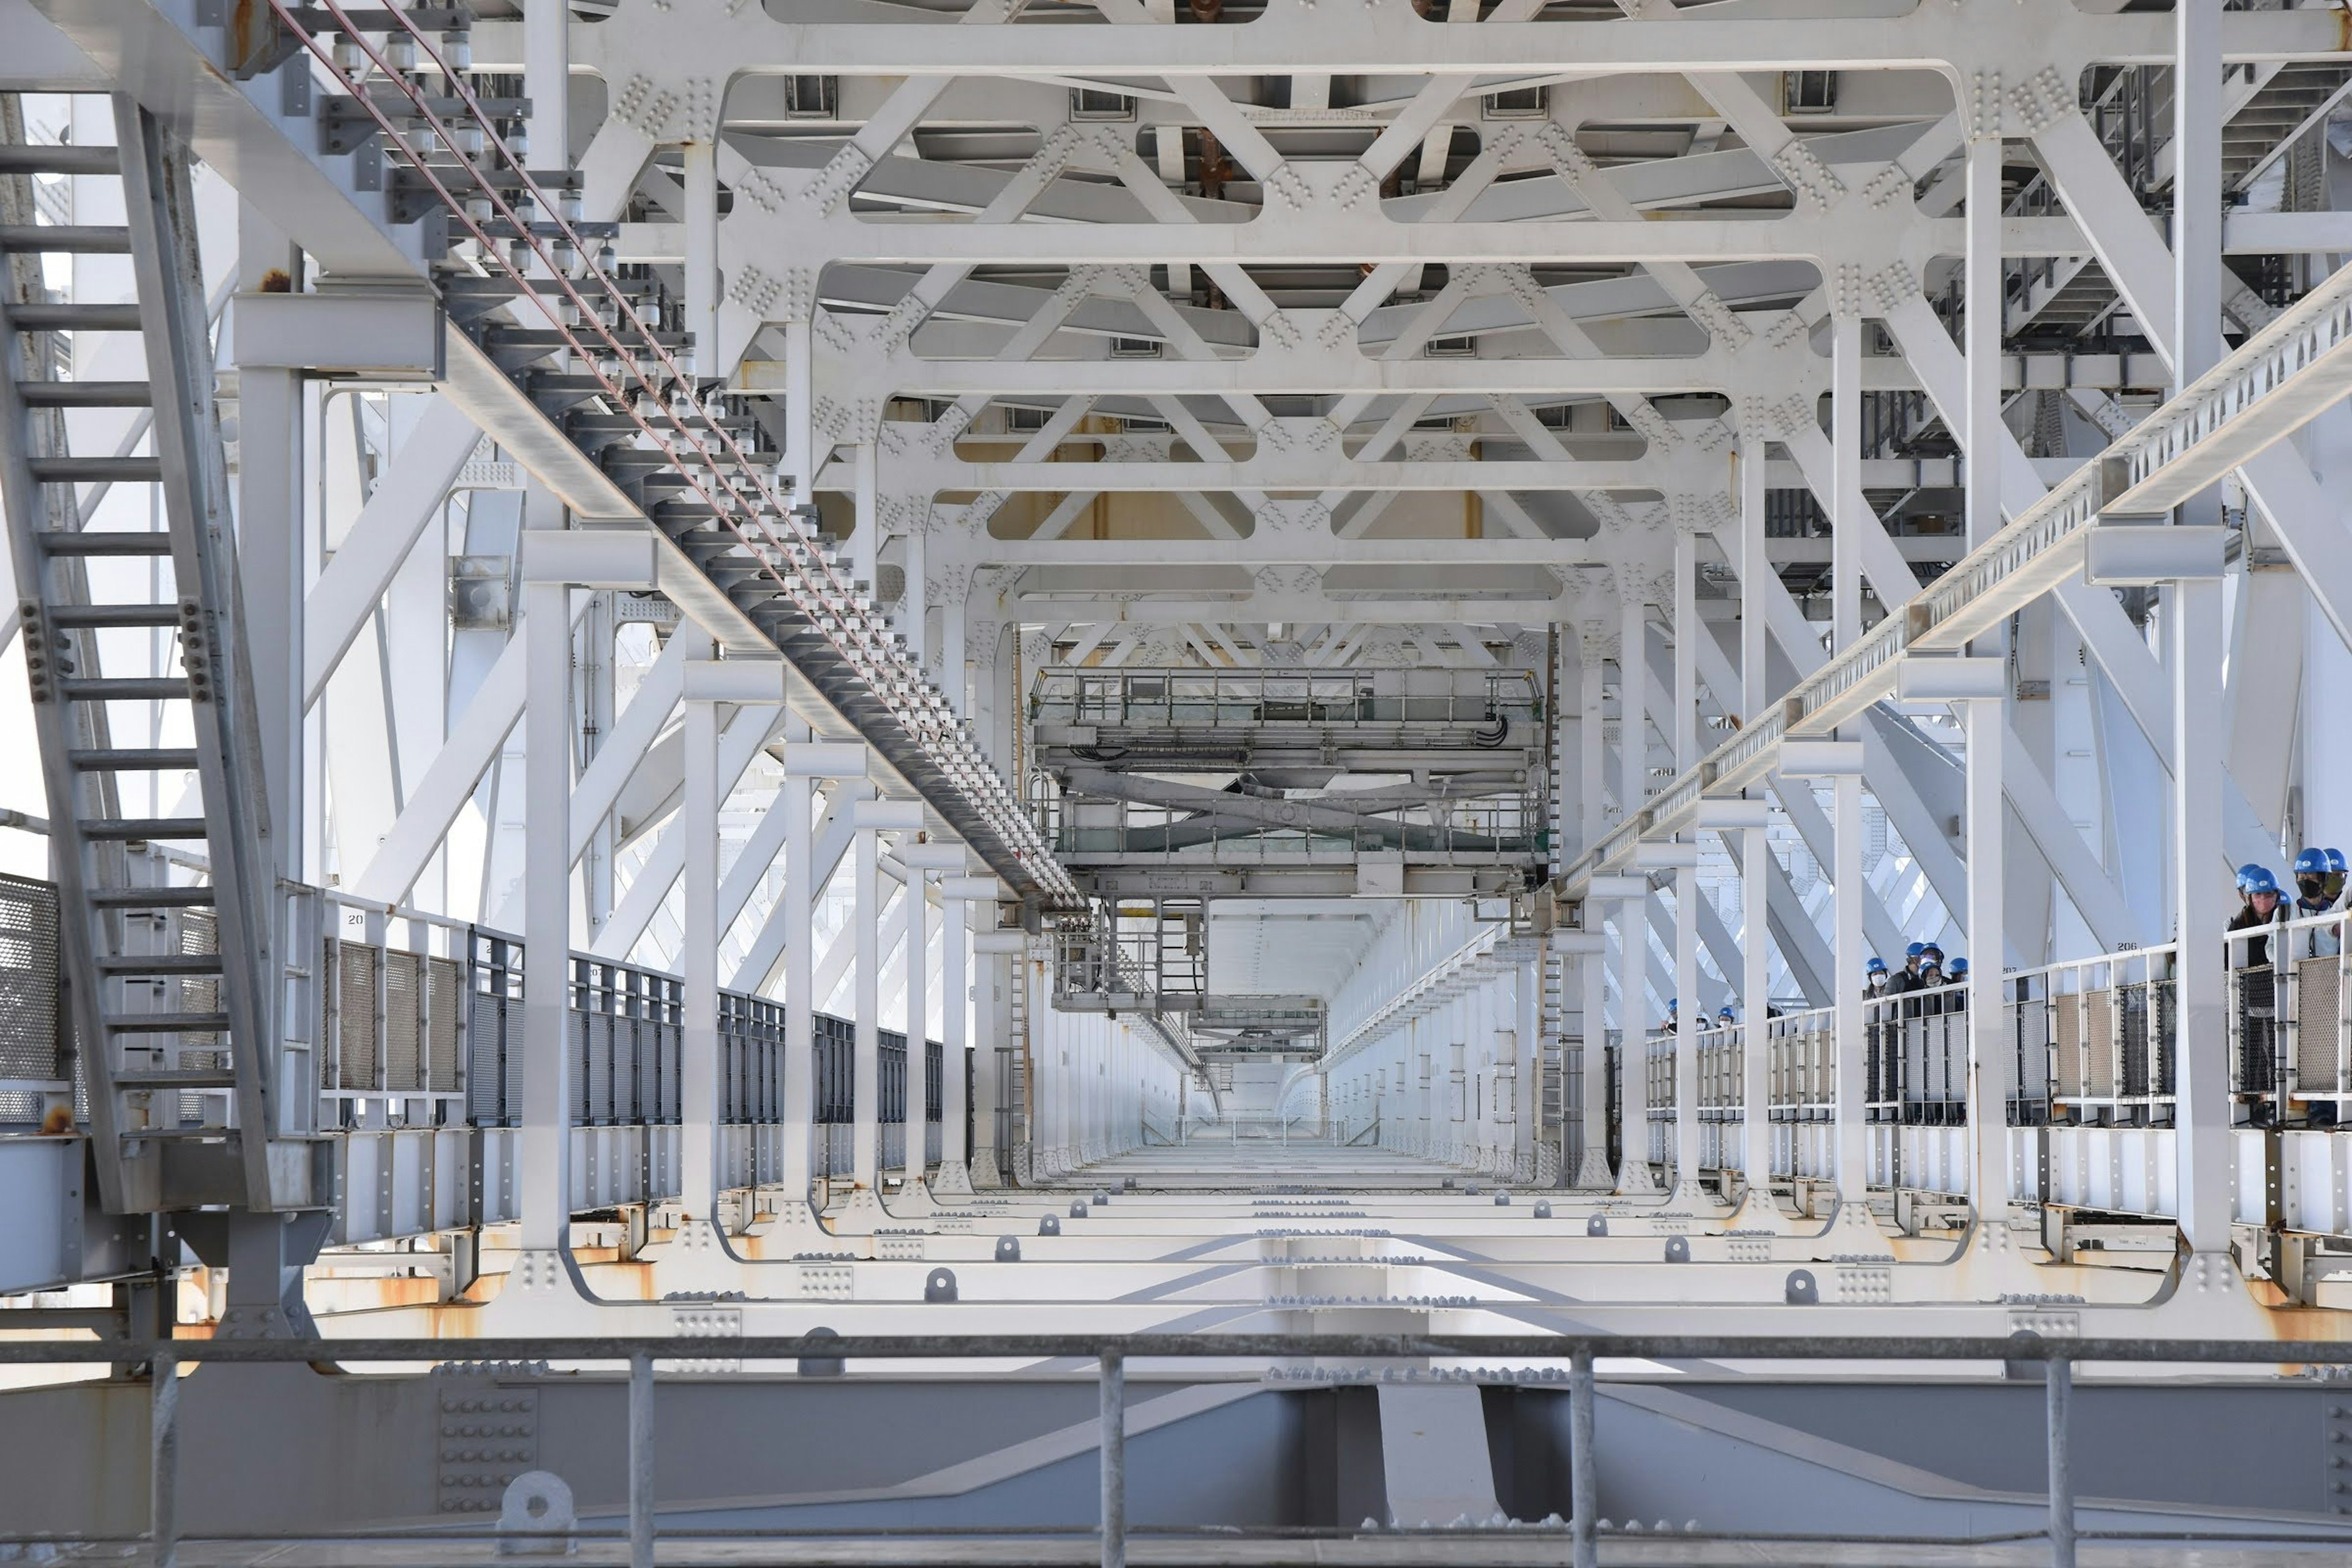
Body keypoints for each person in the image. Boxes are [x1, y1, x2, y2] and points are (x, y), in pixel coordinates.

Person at [2229, 866, 2283, 970]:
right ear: (2249, 897)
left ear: (2277, 895)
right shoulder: (2239, 925)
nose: (2263, 898)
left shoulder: (2285, 918)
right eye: (2258, 894)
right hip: (2250, 982)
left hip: (2280, 980)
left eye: (2268, 893)